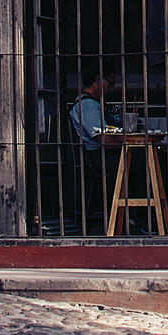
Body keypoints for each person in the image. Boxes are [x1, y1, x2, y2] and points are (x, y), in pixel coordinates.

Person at [69, 68, 121, 231]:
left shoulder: (87, 103)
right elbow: (103, 139)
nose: (111, 89)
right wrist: (132, 143)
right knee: (150, 160)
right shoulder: (89, 105)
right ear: (98, 80)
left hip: (99, 156)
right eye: (110, 84)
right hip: (98, 158)